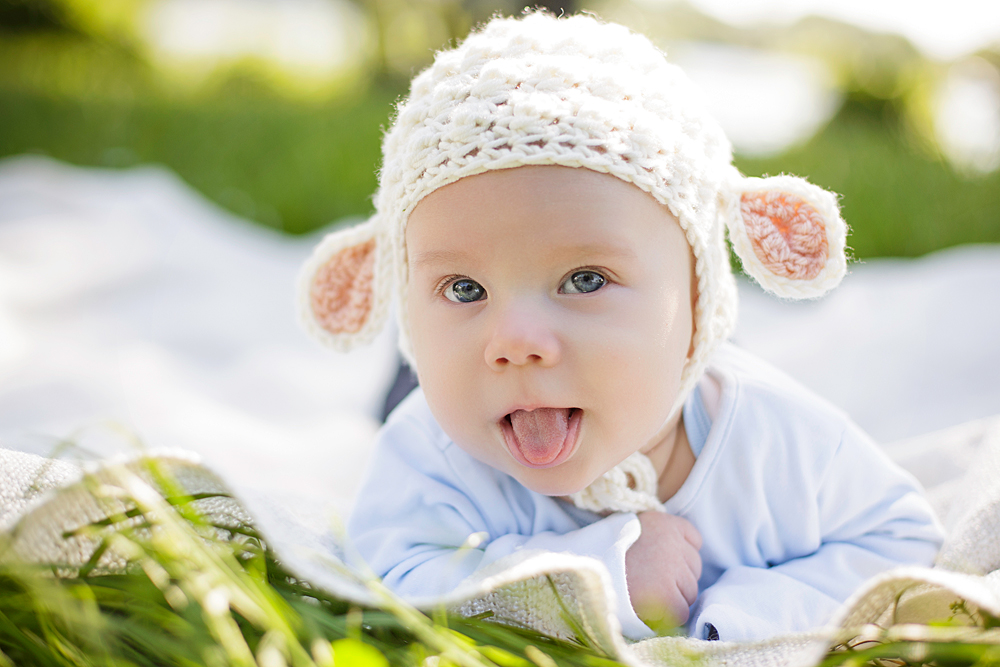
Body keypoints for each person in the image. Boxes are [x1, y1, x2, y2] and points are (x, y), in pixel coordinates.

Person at [296, 12, 944, 642]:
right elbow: (388, 572)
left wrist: (749, 607)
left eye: (584, 279)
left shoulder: (782, 443)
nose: (515, 337)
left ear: (697, 292)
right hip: (456, 382)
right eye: (465, 286)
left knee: (658, 365)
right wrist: (596, 575)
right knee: (409, 388)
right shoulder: (429, 451)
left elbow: (898, 537)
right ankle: (423, 342)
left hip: (678, 366)